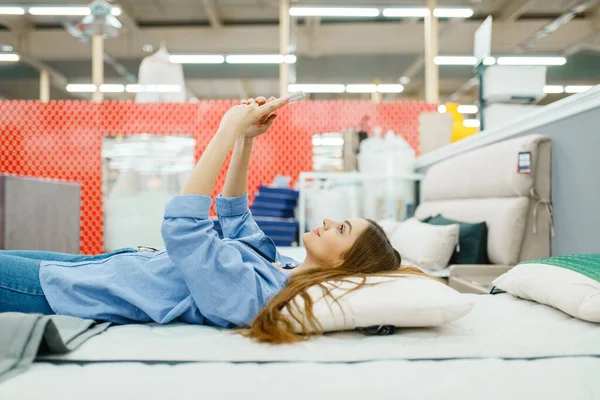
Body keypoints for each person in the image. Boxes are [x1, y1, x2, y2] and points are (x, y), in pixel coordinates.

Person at [0, 96, 432, 343]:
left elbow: (185, 230)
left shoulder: (257, 295)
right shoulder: (277, 268)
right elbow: (233, 216)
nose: (331, 220)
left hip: (75, 292)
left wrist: (224, 132)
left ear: (343, 263)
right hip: (94, 266)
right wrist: (245, 142)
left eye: (342, 230)